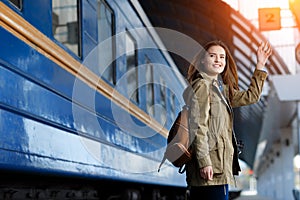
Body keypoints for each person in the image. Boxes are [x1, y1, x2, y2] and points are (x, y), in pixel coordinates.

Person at [183, 40, 272, 200]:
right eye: (212, 56)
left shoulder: (221, 90)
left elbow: (251, 97)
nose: (218, 60)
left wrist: (260, 65)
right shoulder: (203, 86)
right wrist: (204, 162)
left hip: (218, 168)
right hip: (210, 170)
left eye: (222, 57)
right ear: (203, 60)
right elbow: (198, 127)